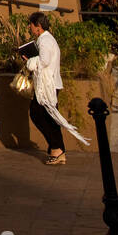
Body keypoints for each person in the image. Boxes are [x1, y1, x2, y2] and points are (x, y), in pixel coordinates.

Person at [24, 11, 89, 163]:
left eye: (31, 24)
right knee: (50, 117)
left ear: (38, 26)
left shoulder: (44, 41)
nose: (29, 27)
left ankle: (57, 148)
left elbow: (44, 61)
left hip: (47, 86)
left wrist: (29, 62)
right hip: (50, 84)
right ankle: (58, 150)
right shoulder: (46, 39)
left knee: (37, 114)